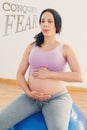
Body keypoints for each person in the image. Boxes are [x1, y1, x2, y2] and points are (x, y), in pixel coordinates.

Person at [0, 8, 83, 130]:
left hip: (56, 99)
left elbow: (78, 76)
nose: (45, 24)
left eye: (50, 21)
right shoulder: (31, 47)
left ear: (57, 25)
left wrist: (49, 74)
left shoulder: (65, 48)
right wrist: (28, 92)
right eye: (42, 21)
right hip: (30, 98)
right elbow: (20, 74)